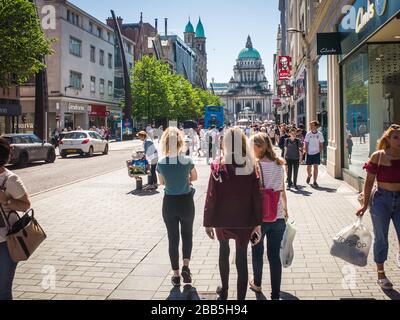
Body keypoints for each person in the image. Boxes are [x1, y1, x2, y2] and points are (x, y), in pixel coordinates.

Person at [204, 127, 262, 300]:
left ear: (226, 143)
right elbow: (256, 197)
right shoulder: (251, 166)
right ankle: (241, 299)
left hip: (222, 219)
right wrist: (258, 223)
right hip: (244, 220)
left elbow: (211, 196)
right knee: (242, 257)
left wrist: (207, 222)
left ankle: (225, 289)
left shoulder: (218, 165)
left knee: (223, 250)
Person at [357, 124, 400, 289]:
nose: (399, 140)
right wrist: (365, 204)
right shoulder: (378, 156)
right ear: (388, 140)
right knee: (381, 239)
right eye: (395, 137)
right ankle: (381, 273)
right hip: (381, 201)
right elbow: (368, 182)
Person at [157, 128, 198, 287]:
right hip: (186, 202)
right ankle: (186, 266)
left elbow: (161, 183)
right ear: (180, 142)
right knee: (187, 235)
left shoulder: (161, 162)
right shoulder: (187, 160)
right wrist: (186, 179)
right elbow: (194, 177)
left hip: (169, 204)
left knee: (172, 239)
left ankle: (175, 275)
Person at [249, 133, 288, 300]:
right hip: (277, 216)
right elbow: (282, 191)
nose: (251, 149)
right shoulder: (279, 164)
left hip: (259, 218)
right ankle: (275, 293)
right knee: (274, 257)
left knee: (257, 252)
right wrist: (286, 210)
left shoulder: (254, 166)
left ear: (260, 147)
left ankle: (257, 284)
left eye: (252, 146)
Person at [0, 138, 31, 300]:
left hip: (5, 244)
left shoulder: (10, 179)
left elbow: (25, 205)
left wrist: (6, 200)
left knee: (2, 291)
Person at [305, 121, 325, 188]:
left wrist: (321, 153)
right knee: (308, 168)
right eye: (310, 125)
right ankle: (309, 175)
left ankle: (314, 181)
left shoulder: (320, 134)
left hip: (317, 153)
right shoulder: (308, 134)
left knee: (316, 167)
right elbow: (306, 144)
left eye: (312, 125)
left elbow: (321, 144)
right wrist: (306, 153)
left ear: (316, 126)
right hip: (309, 153)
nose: (310, 127)